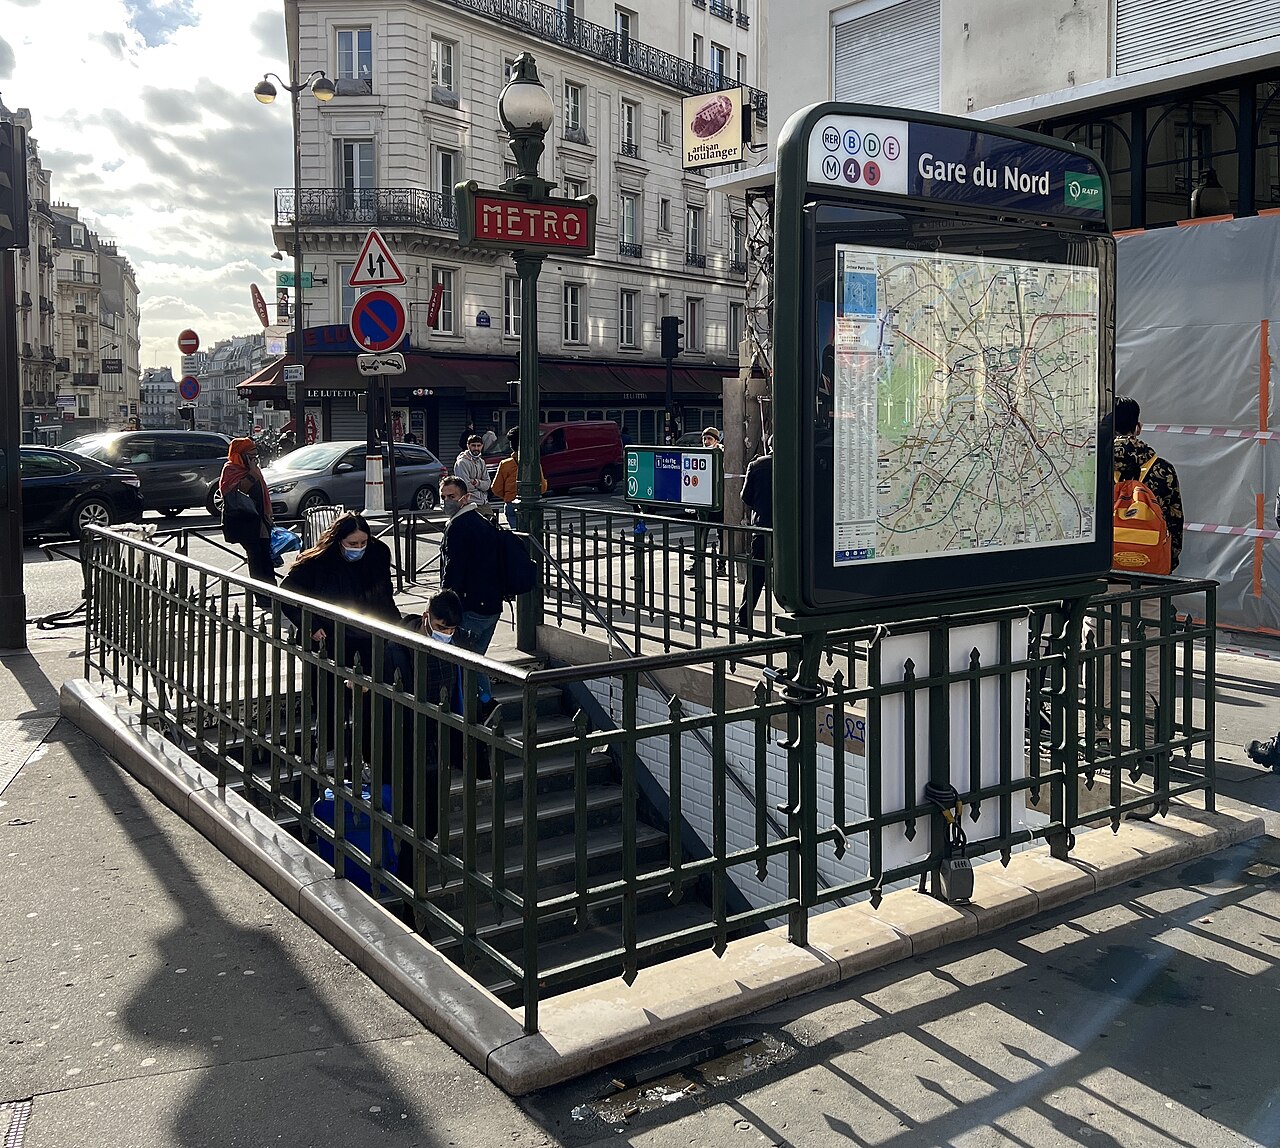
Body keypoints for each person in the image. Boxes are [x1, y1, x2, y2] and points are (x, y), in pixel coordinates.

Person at [1091, 396, 1185, 748]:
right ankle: (1148, 736)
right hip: (1149, 583)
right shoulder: (1161, 469)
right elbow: (1174, 527)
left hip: (1104, 581)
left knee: (1101, 656)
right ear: (1138, 427)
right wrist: (1158, 567)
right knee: (1151, 660)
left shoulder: (1094, 465)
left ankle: (1101, 732)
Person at [280, 512, 401, 763]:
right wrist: (310, 626)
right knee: (330, 701)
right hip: (328, 640)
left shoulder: (377, 553)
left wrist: (396, 628)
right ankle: (328, 750)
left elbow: (383, 596)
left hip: (369, 638)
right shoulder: (317, 563)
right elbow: (288, 596)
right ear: (338, 541)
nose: (359, 549)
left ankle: (370, 757)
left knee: (371, 703)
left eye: (362, 543)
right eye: (352, 544)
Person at [439, 477, 504, 711]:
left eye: (452, 497)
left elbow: (453, 571)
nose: (447, 502)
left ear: (465, 497)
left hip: (471, 607)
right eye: (444, 497)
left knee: (468, 659)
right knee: (475, 658)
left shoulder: (458, 527)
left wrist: (441, 604)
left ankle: (485, 704)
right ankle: (482, 703)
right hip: (492, 606)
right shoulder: (482, 521)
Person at [218, 437, 276, 606]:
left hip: (259, 521)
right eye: (250, 455)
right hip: (244, 523)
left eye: (255, 455)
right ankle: (261, 597)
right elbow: (233, 493)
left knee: (266, 556)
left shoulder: (254, 469)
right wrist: (250, 473)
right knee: (255, 557)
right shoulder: (231, 469)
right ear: (240, 455)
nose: (254, 459)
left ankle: (273, 594)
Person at [737, 435, 773, 630]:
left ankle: (744, 617)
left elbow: (746, 496)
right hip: (792, 530)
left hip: (763, 527)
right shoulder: (798, 462)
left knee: (756, 574)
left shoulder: (757, 465)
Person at [686, 426, 727, 577]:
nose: (706, 441)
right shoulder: (699, 455)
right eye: (704, 439)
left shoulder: (722, 454)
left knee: (722, 536)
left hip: (719, 503)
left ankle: (721, 566)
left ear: (716, 440)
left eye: (709, 439)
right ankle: (697, 564)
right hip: (703, 504)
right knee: (701, 534)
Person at [491, 427, 547, 530]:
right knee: (532, 533)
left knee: (517, 534)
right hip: (531, 506)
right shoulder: (534, 464)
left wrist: (508, 495)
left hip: (511, 503)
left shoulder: (505, 464)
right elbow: (542, 487)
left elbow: (496, 488)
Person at [453, 433, 493, 516]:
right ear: (468, 446)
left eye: (478, 445)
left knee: (492, 525)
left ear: (482, 446)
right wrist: (481, 485)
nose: (476, 448)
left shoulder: (481, 461)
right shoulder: (462, 462)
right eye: (473, 445)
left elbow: (488, 484)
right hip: (469, 503)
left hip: (483, 502)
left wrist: (476, 482)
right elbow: (465, 487)